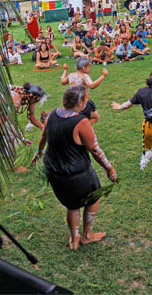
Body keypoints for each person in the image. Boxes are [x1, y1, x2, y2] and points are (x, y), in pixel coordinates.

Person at [31, 86, 117, 251]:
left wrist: (38, 153)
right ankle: (87, 235)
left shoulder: (52, 115)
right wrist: (109, 168)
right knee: (93, 197)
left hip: (53, 170)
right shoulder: (81, 122)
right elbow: (95, 150)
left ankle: (74, 237)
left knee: (72, 204)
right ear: (80, 102)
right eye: (86, 99)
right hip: (75, 173)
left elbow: (43, 137)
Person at [61, 57, 108, 125]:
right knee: (95, 117)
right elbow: (91, 85)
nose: (90, 69)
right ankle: (82, 128)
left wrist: (65, 70)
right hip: (83, 103)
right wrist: (103, 76)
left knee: (77, 119)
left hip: (72, 103)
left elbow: (63, 81)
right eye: (89, 67)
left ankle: (79, 128)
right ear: (84, 67)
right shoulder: (84, 76)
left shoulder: (71, 75)